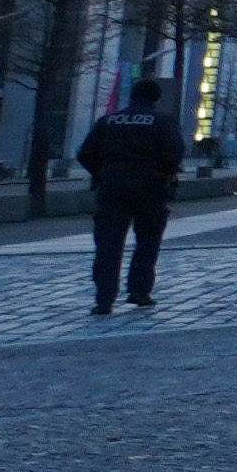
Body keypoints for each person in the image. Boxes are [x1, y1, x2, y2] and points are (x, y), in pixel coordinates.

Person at [75, 77, 185, 316]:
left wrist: (102, 172)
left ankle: (104, 298)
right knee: (147, 242)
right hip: (151, 188)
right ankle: (139, 291)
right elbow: (174, 154)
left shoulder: (108, 121)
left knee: (108, 244)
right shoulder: (163, 122)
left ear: (132, 96)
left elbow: (84, 153)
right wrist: (162, 173)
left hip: (112, 187)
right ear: (156, 99)